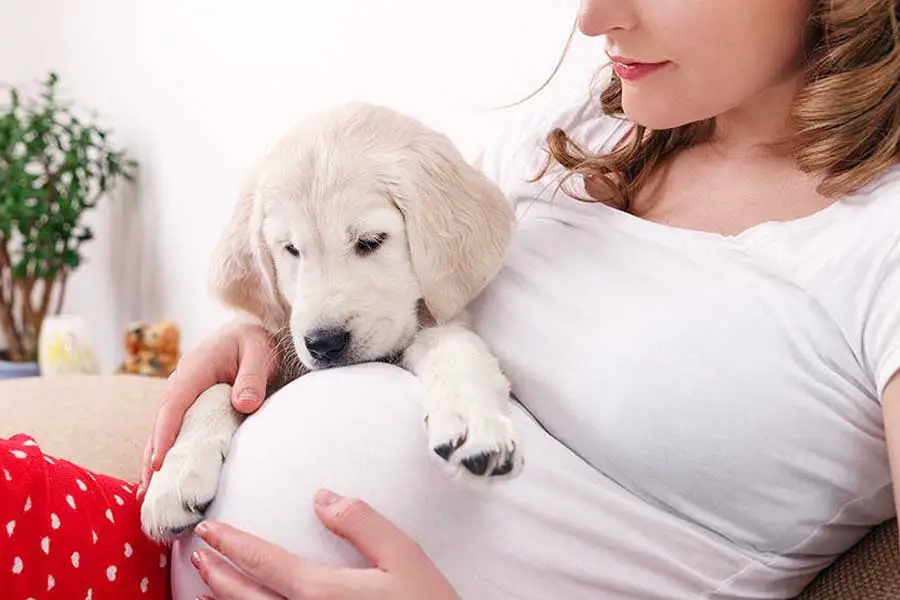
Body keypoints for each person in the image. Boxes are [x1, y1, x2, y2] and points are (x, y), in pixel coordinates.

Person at [123, 0, 900, 598]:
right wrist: (270, 343)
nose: (593, 18)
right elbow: (402, 294)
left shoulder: (881, 241)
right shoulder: (584, 124)